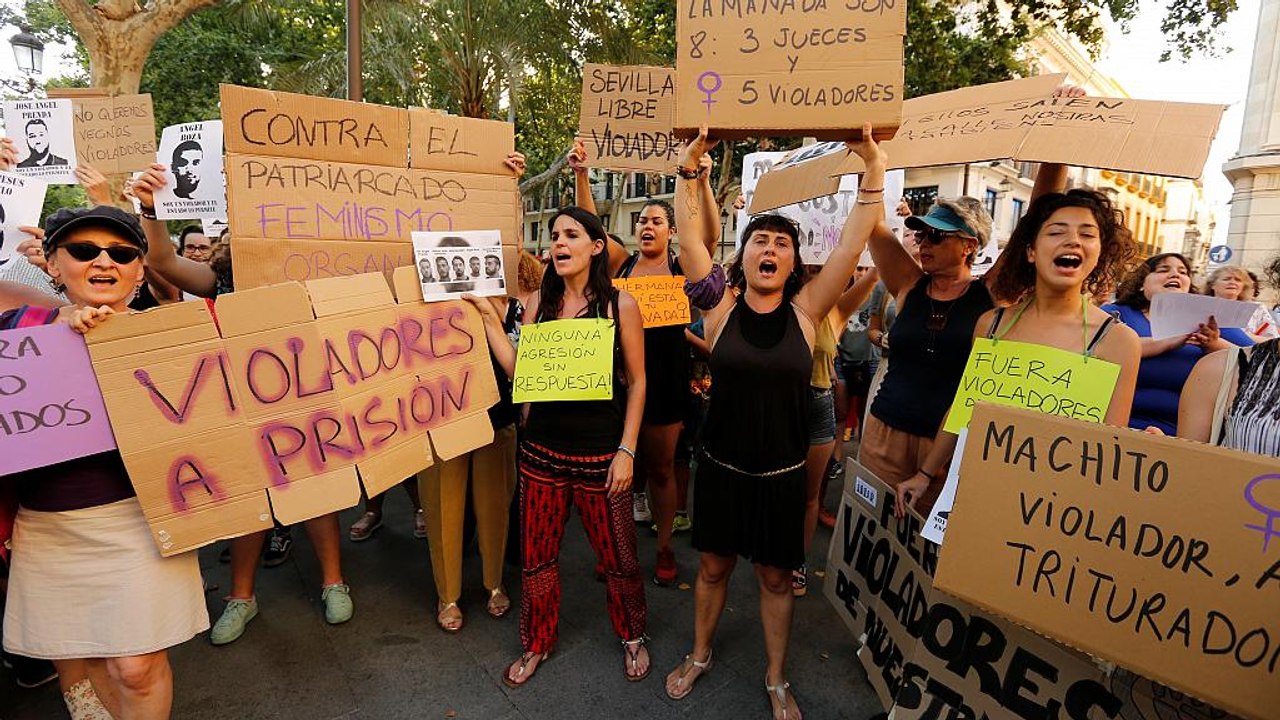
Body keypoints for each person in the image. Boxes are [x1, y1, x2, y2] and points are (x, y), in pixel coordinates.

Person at [663, 124, 885, 720]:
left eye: (781, 244)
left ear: (794, 262)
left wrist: (873, 170)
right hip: (721, 469)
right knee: (711, 568)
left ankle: (777, 678)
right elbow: (690, 245)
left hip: (784, 477)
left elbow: (853, 240)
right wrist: (690, 172)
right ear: (746, 254)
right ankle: (700, 653)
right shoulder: (718, 309)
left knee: (777, 578)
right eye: (760, 240)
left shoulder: (811, 312)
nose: (769, 249)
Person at [130, 163, 355, 644]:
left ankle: (333, 582)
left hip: (305, 400)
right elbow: (165, 262)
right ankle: (242, 597)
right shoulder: (221, 277)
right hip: (242, 406)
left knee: (317, 495)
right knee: (249, 501)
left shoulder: (318, 269)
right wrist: (150, 208)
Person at [1, 206, 208, 720]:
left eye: (121, 253)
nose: (103, 261)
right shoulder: (15, 335)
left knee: (135, 668)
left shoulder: (175, 337)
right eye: (83, 250)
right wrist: (56, 332)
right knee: (82, 655)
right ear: (52, 263)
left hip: (142, 524)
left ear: (140, 270)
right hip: (47, 528)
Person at [466, 205, 649, 687]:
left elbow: (639, 381)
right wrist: (489, 319)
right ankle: (536, 642)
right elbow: (519, 374)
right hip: (541, 455)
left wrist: (627, 450)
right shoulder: (534, 306)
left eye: (571, 234)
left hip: (600, 458)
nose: (559, 243)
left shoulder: (621, 306)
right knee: (537, 557)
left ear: (596, 246)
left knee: (619, 557)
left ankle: (632, 635)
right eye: (553, 236)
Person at [895, 188, 1142, 515]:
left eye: (1087, 234)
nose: (1073, 241)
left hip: (1055, 513)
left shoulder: (1118, 342)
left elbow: (1107, 451)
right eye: (1056, 232)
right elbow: (964, 409)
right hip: (978, 494)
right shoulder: (991, 325)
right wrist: (925, 474)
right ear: (1030, 251)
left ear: (1099, 252)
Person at [572, 144, 718, 586]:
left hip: (667, 382)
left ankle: (666, 548)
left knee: (659, 467)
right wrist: (583, 173)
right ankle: (615, 549)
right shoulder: (623, 264)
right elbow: (590, 226)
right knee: (616, 468)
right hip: (618, 382)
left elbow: (709, 236)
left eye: (656, 220)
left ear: (672, 231)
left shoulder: (681, 266)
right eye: (642, 220)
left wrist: (702, 181)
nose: (646, 226)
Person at [1101, 253, 1254, 435]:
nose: (1175, 275)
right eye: (1163, 270)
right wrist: (1165, 342)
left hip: (1184, 436)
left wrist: (1213, 344)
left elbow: (1257, 361)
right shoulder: (1117, 313)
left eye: (1183, 272)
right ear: (1142, 284)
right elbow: (1095, 347)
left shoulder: (1211, 320)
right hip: (1112, 427)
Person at [1178, 253, 1280, 454]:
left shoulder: (1255, 311)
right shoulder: (1216, 369)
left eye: (1237, 280)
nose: (1232, 283)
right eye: (1227, 278)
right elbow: (1189, 465)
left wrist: (1219, 342)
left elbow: (1268, 337)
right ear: (1213, 285)